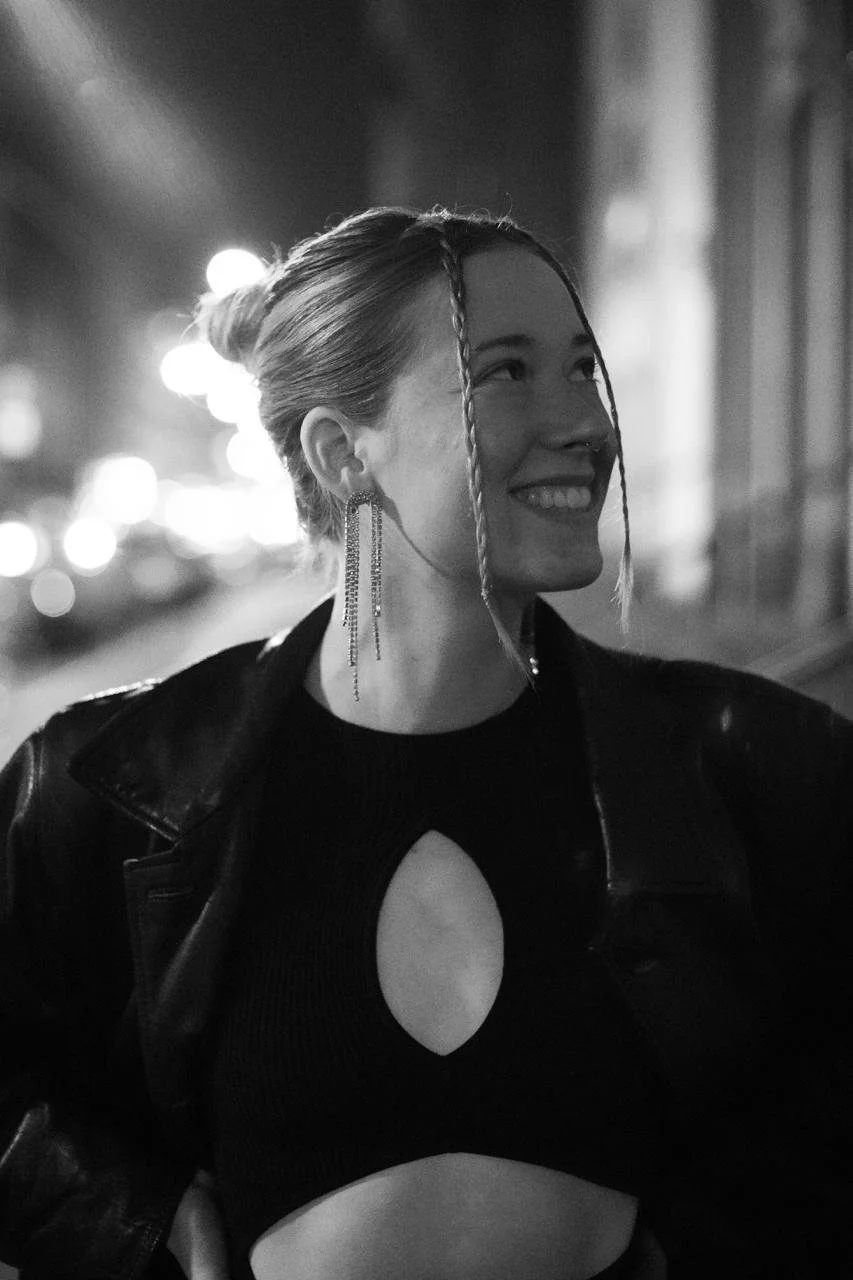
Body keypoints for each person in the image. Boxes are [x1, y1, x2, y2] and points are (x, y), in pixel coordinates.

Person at [0, 206, 851, 1280]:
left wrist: (710, 1238)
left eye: (581, 368)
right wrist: (140, 1223)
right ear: (342, 454)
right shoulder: (108, 784)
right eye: (505, 372)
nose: (584, 423)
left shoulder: (754, 763)